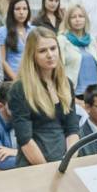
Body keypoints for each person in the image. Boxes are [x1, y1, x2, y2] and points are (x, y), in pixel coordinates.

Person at [7, 27, 79, 166]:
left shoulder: (66, 83)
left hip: (64, 160)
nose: (50, 55)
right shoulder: (20, 89)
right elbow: (25, 140)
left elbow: (72, 130)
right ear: (32, 55)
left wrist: (69, 161)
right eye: (42, 51)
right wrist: (47, 169)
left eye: (53, 48)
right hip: (34, 164)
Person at [58, 3, 97, 99]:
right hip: (74, 94)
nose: (77, 19)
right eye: (73, 17)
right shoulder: (62, 40)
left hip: (95, 92)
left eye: (81, 16)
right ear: (68, 20)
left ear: (85, 19)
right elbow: (59, 69)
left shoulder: (91, 40)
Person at [0, 0, 31, 80]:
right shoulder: (3, 31)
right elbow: (2, 60)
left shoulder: (33, 30)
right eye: (17, 9)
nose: (21, 12)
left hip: (31, 77)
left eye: (24, 9)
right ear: (11, 11)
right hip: (12, 78)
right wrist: (15, 80)